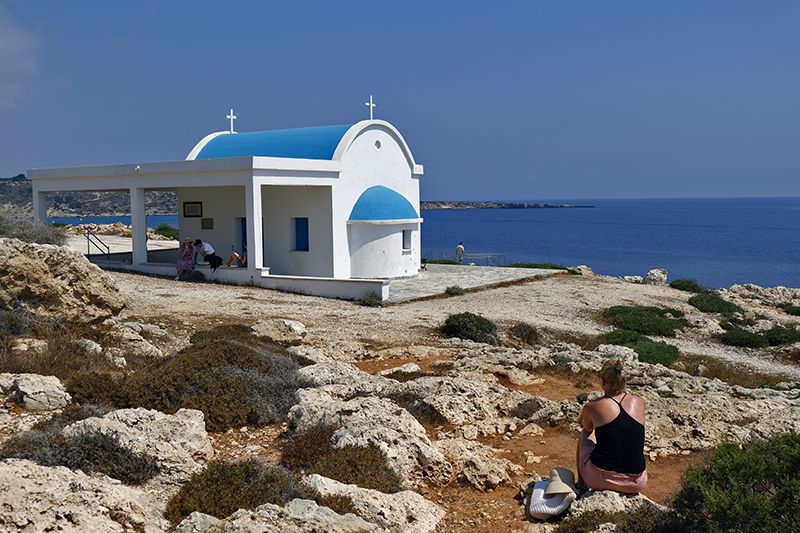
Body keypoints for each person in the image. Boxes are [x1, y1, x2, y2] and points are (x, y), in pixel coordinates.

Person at [576, 359, 647, 494]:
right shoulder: (640, 402)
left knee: (584, 434)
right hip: (638, 482)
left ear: (603, 382)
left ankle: (581, 483)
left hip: (601, 479)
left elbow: (586, 427)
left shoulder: (593, 406)